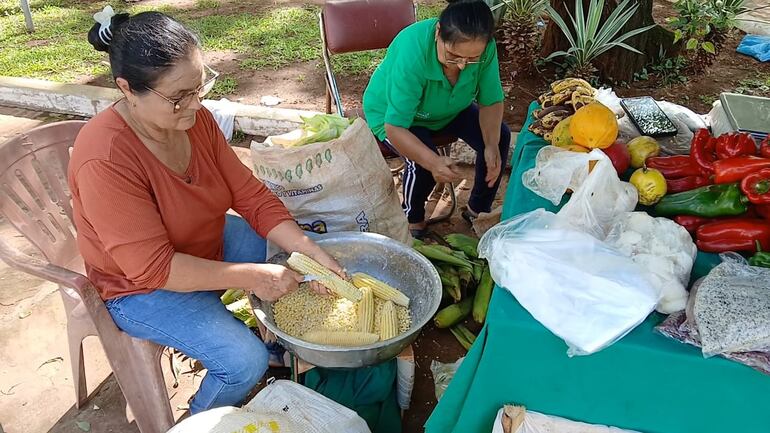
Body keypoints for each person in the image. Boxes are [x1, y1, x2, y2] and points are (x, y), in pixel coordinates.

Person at [69, 9, 344, 413]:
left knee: (296, 256)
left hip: (204, 240)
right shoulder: (106, 159)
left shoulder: (195, 120)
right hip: (138, 286)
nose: (195, 104)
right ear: (127, 89)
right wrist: (252, 276)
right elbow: (153, 269)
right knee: (241, 364)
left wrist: (311, 251)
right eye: (179, 97)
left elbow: (249, 194)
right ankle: (201, 419)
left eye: (200, 87)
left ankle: (273, 343)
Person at [363, 0, 511, 238]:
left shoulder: (485, 47)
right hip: (398, 117)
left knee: (499, 138)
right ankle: (414, 218)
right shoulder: (413, 49)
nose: (462, 65)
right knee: (422, 162)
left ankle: (478, 209)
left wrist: (491, 144)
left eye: (472, 59)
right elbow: (396, 126)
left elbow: (491, 101)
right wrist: (433, 162)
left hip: (450, 108)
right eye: (453, 55)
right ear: (439, 32)